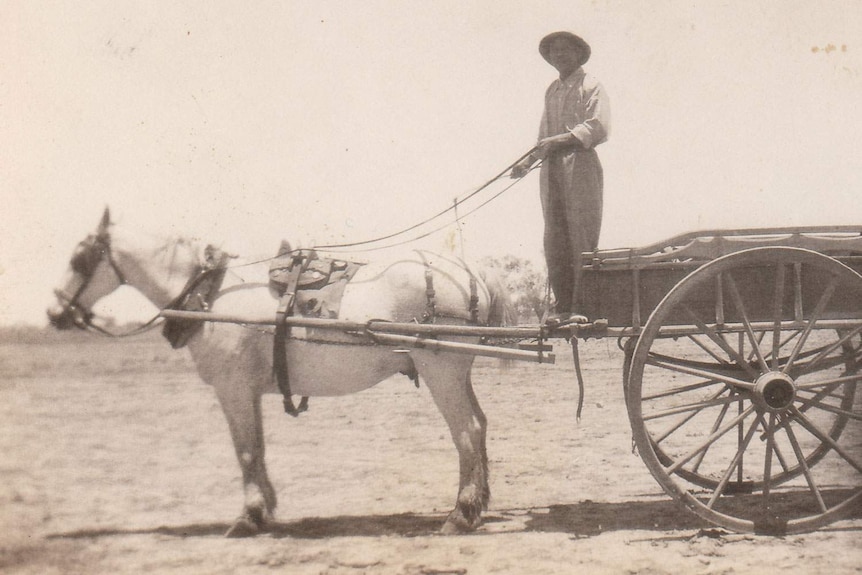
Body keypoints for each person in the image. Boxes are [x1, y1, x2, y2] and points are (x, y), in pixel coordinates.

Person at [511, 31, 610, 324]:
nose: (559, 56)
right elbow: (544, 138)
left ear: (578, 53)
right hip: (552, 169)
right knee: (554, 237)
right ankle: (563, 305)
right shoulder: (552, 90)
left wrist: (560, 141)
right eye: (554, 52)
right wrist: (527, 161)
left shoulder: (590, 84)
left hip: (579, 163)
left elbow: (598, 127)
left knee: (580, 233)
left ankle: (583, 305)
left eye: (565, 50)